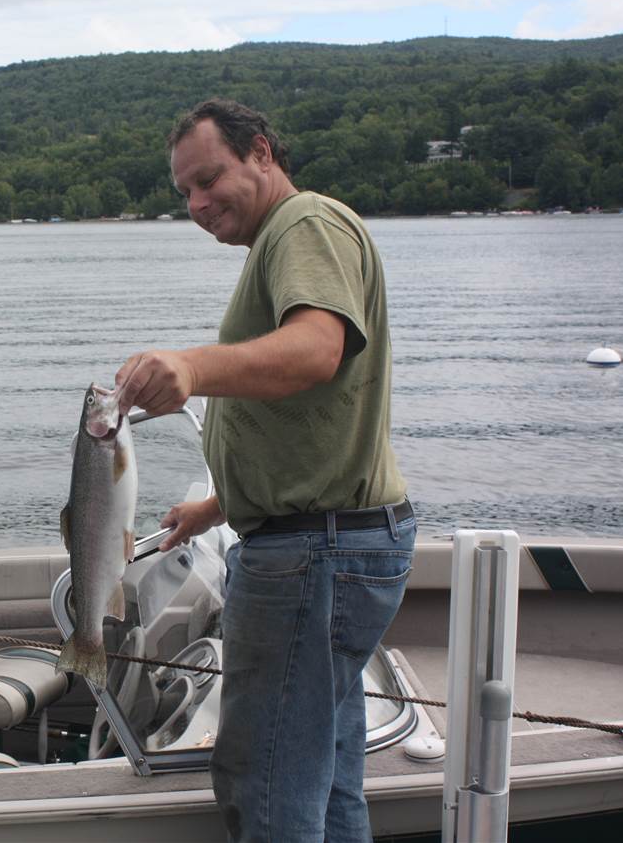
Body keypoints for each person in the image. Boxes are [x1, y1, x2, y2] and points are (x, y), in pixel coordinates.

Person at [115, 99, 416, 843]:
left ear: (261, 152)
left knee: (271, 777)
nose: (196, 203)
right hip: (333, 542)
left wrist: (190, 365)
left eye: (209, 178)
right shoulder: (285, 240)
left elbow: (316, 350)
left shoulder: (305, 225)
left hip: (314, 557)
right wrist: (217, 507)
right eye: (183, 191)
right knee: (328, 770)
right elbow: (317, 430)